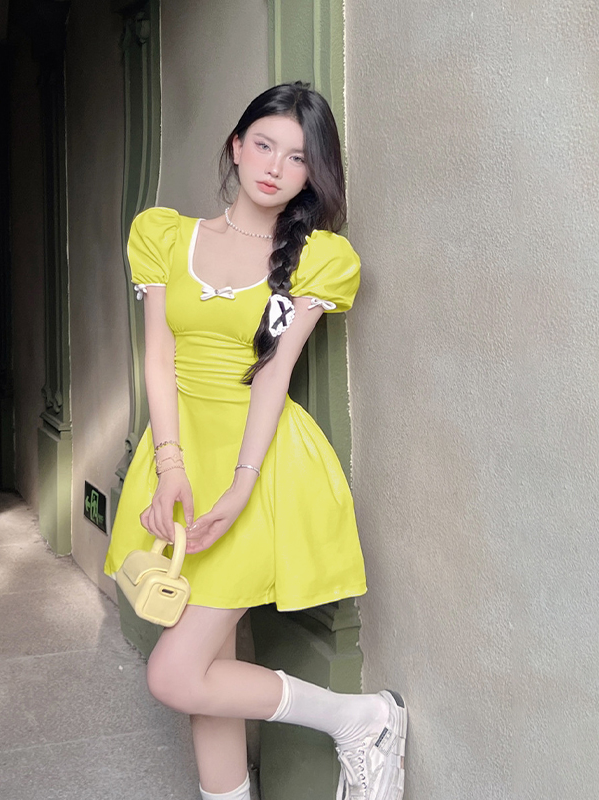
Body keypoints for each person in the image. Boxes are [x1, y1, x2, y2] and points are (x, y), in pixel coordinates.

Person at [104, 82, 407, 800]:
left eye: (297, 157)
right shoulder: (166, 238)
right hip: (180, 456)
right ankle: (352, 726)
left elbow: (274, 375)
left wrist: (242, 486)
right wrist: (170, 465)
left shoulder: (314, 259)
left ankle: (360, 720)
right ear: (236, 146)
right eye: (264, 144)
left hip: (260, 465)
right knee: (203, 678)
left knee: (175, 673)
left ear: (313, 173)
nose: (275, 166)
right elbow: (158, 361)